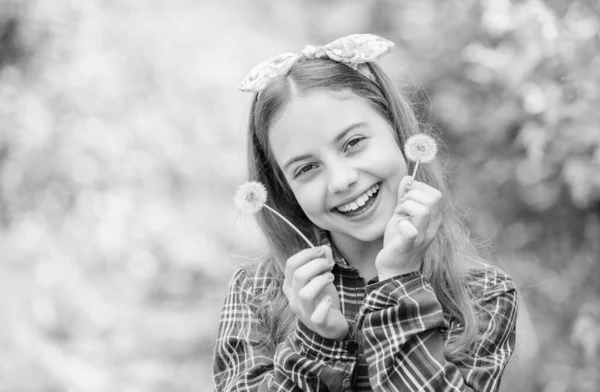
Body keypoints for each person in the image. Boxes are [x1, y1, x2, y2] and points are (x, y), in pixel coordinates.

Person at [213, 34, 518, 391]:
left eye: (353, 143)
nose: (341, 180)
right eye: (306, 168)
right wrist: (317, 341)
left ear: (396, 130)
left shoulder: (481, 294)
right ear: (285, 190)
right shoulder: (257, 291)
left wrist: (399, 281)